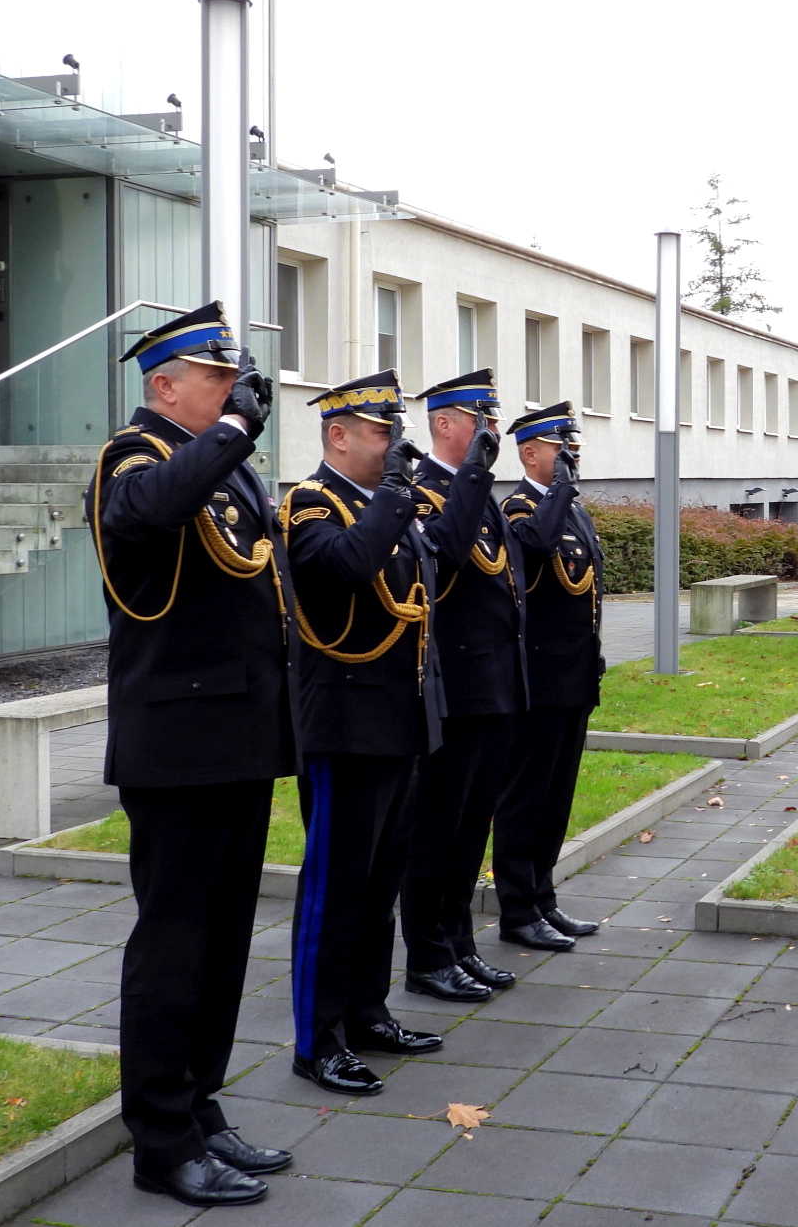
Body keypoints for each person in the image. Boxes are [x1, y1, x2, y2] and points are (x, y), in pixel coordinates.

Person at [91, 302, 296, 1208]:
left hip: (239, 736)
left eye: (233, 380)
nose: (234, 391)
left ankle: (199, 1106)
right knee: (173, 947)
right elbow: (153, 511)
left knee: (222, 944)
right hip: (176, 745)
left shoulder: (220, 463)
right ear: (165, 386)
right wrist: (235, 432)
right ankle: (161, 1140)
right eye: (217, 379)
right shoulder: (131, 459)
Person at [277, 369, 446, 1096]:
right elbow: (344, 570)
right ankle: (317, 1042)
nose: (395, 443)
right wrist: (398, 497)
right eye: (383, 431)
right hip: (343, 726)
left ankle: (367, 1013)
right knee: (335, 890)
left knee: (380, 887)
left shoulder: (386, 504)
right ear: (338, 435)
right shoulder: (311, 504)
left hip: (397, 719)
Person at [399, 370, 526, 1001]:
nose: (491, 432)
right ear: (445, 423)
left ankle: (459, 944)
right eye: (481, 419)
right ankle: (427, 955)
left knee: (472, 826)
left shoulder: (476, 491)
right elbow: (446, 559)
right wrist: (474, 474)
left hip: (493, 687)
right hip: (455, 690)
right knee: (436, 830)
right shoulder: (423, 493)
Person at [494, 401, 605, 952]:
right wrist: (559, 491)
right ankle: (517, 909)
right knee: (527, 799)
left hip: (574, 679)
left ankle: (543, 898)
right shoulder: (517, 508)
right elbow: (535, 548)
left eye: (573, 450)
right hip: (538, 682)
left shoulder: (572, 509)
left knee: (556, 800)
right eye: (562, 450)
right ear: (530, 453)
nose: (571, 459)